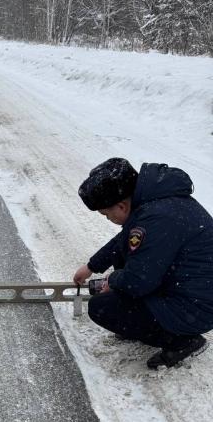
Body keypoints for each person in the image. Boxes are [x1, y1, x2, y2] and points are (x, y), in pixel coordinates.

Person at [73, 158, 213, 369]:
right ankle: (139, 323)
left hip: (196, 308)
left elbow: (138, 282)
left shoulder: (157, 218)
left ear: (121, 205)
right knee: (124, 256)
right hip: (190, 288)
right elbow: (123, 241)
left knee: (101, 308)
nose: (107, 218)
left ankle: (183, 342)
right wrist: (91, 266)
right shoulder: (155, 204)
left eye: (106, 214)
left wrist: (112, 280)